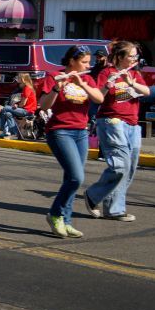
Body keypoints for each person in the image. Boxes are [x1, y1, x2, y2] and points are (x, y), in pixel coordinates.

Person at [37, 46, 104, 238]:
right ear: (72, 61)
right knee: (76, 177)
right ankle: (55, 214)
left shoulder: (87, 78)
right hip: (60, 131)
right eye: (84, 62)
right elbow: (43, 105)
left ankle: (66, 221)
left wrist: (82, 83)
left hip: (81, 132)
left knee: (71, 180)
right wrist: (58, 87)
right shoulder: (54, 76)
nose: (88, 65)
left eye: (88, 62)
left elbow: (99, 98)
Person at [83, 41, 150, 222]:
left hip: (133, 124)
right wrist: (107, 86)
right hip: (112, 121)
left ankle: (113, 208)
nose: (135, 59)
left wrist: (132, 83)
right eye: (131, 56)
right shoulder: (107, 72)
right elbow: (97, 98)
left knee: (130, 167)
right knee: (121, 164)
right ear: (120, 57)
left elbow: (147, 91)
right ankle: (95, 196)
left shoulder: (135, 73)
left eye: (136, 56)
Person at [0, 73, 38, 139]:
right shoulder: (27, 88)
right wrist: (17, 104)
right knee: (8, 113)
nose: (17, 78)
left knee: (5, 108)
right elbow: (23, 103)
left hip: (27, 111)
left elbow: (23, 103)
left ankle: (0, 129)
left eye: (18, 77)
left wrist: (17, 106)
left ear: (23, 79)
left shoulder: (27, 88)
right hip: (26, 110)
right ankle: (14, 134)